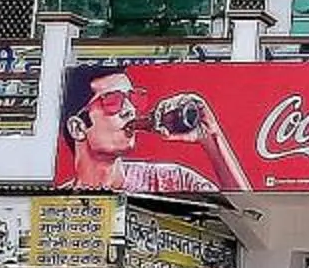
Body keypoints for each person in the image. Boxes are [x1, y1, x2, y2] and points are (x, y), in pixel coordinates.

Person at [58, 71, 250, 193]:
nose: (130, 110)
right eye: (112, 101)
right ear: (78, 128)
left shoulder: (174, 181)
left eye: (133, 98)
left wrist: (212, 137)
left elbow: (251, 223)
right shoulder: (57, 207)